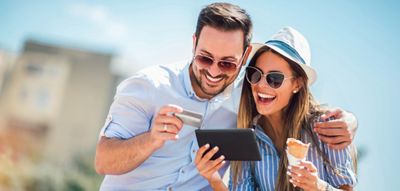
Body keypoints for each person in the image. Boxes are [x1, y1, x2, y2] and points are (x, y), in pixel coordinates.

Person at [95, 3, 357, 191]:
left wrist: (350, 121)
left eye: (227, 64)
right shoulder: (148, 86)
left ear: (243, 59)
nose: (213, 71)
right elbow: (103, 161)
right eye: (205, 58)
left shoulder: (246, 103)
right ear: (194, 43)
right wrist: (151, 139)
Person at [195, 27, 357, 191]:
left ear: (297, 84)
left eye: (275, 78)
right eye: (256, 74)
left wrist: (318, 187)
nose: (261, 85)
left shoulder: (327, 128)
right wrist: (213, 178)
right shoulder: (249, 136)